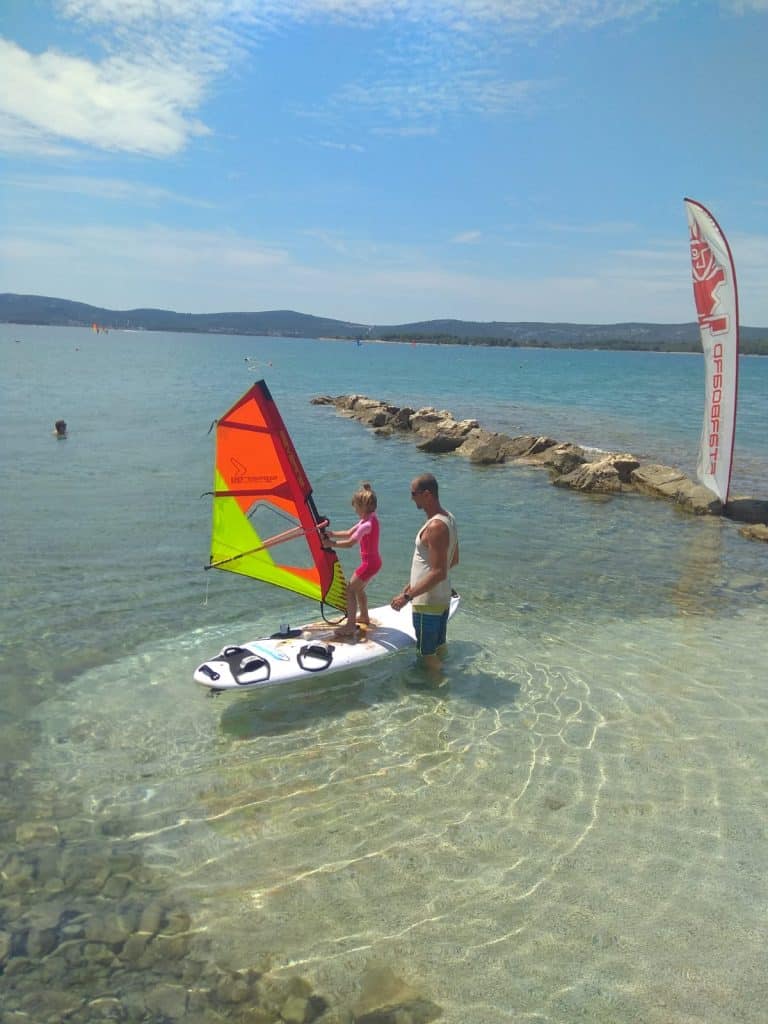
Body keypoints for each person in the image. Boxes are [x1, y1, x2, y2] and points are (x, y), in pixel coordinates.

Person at [391, 473, 459, 671]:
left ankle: (439, 695)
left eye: (414, 493)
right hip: (442, 598)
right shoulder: (449, 519)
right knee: (439, 647)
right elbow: (453, 560)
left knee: (426, 654)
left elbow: (438, 572)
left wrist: (407, 596)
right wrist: (414, 584)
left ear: (427, 494)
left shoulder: (435, 527)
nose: (411, 498)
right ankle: (447, 675)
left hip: (427, 603)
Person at [323, 482, 382, 638]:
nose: (355, 510)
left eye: (356, 507)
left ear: (363, 507)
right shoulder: (370, 519)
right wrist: (332, 534)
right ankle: (363, 616)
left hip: (368, 564)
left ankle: (350, 626)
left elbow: (350, 543)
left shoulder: (366, 524)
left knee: (350, 590)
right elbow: (349, 533)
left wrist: (331, 544)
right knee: (359, 589)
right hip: (375, 562)